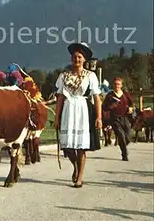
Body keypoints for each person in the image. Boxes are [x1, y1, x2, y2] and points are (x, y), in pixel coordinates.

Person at [55, 42, 102, 188]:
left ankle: (80, 177)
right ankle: (75, 164)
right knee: (68, 145)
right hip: (68, 109)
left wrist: (99, 117)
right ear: (71, 58)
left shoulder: (90, 76)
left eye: (79, 57)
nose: (77, 59)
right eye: (74, 57)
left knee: (81, 146)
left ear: (84, 59)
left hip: (83, 110)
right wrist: (57, 117)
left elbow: (97, 98)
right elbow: (60, 98)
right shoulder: (64, 75)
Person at [103, 77, 134, 161]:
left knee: (127, 133)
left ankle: (124, 143)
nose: (117, 86)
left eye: (118, 84)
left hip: (125, 117)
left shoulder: (125, 94)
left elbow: (132, 103)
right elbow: (104, 107)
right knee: (121, 135)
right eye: (115, 84)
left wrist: (131, 108)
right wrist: (111, 106)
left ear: (121, 85)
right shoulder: (110, 95)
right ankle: (124, 154)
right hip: (115, 118)